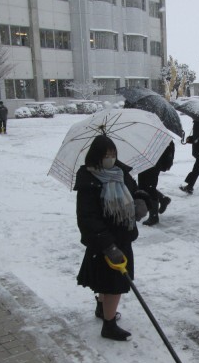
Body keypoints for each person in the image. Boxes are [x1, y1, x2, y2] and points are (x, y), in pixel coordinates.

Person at [74, 135, 149, 341]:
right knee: (113, 285)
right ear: (96, 156)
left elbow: (135, 191)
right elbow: (87, 218)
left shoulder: (121, 172)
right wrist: (108, 245)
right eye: (106, 155)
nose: (111, 159)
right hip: (104, 242)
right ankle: (109, 325)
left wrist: (141, 201)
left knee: (106, 282)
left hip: (122, 236)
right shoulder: (89, 181)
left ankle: (102, 308)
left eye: (113, 154)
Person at [138, 140, 174, 226]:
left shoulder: (159, 136)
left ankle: (154, 216)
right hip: (146, 157)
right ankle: (163, 199)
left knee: (149, 187)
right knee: (143, 186)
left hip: (153, 157)